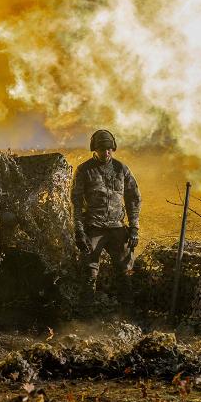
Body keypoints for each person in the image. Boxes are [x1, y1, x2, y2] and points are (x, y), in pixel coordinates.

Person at [71, 129, 142, 301]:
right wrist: (79, 231)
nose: (106, 152)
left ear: (113, 148)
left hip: (117, 227)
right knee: (89, 271)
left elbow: (133, 198)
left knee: (126, 271)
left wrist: (134, 228)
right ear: (94, 149)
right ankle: (87, 314)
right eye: (102, 149)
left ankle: (127, 311)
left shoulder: (121, 169)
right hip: (94, 228)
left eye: (109, 148)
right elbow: (77, 203)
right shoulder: (84, 170)